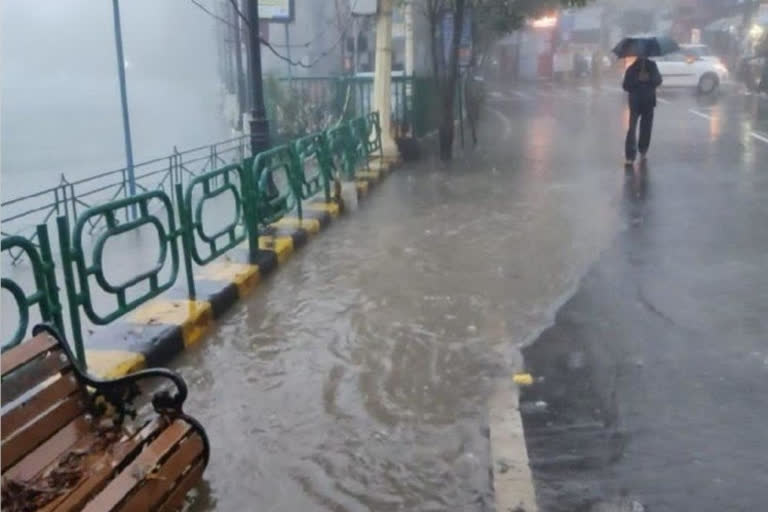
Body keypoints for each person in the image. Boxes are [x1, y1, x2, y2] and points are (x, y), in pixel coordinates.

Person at [622, 56, 663, 164]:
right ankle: (630, 156)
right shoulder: (631, 69)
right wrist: (637, 79)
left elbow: (658, 80)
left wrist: (649, 78)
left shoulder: (652, 66)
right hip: (635, 103)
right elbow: (626, 86)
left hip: (648, 102)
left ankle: (643, 149)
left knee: (646, 128)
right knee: (632, 128)